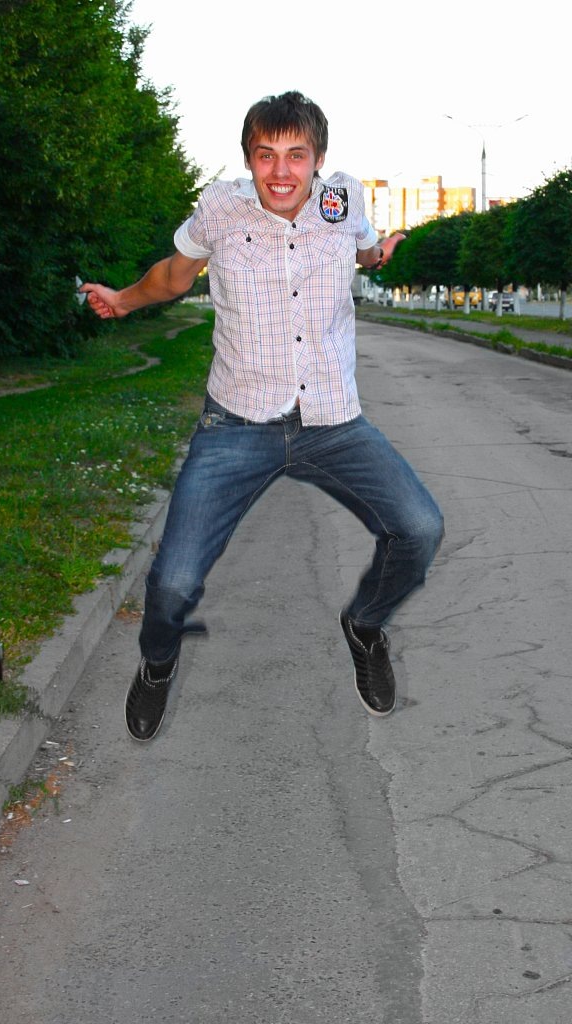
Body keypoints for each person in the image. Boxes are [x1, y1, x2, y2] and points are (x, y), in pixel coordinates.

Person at [81, 90, 444, 741]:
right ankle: (158, 665)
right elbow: (174, 276)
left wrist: (380, 250)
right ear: (248, 158)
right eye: (265, 155)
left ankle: (365, 627)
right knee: (173, 584)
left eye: (295, 155)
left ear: (318, 159)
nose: (281, 171)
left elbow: (363, 249)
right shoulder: (221, 208)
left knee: (420, 528)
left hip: (332, 424)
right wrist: (125, 301)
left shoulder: (344, 200)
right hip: (236, 427)